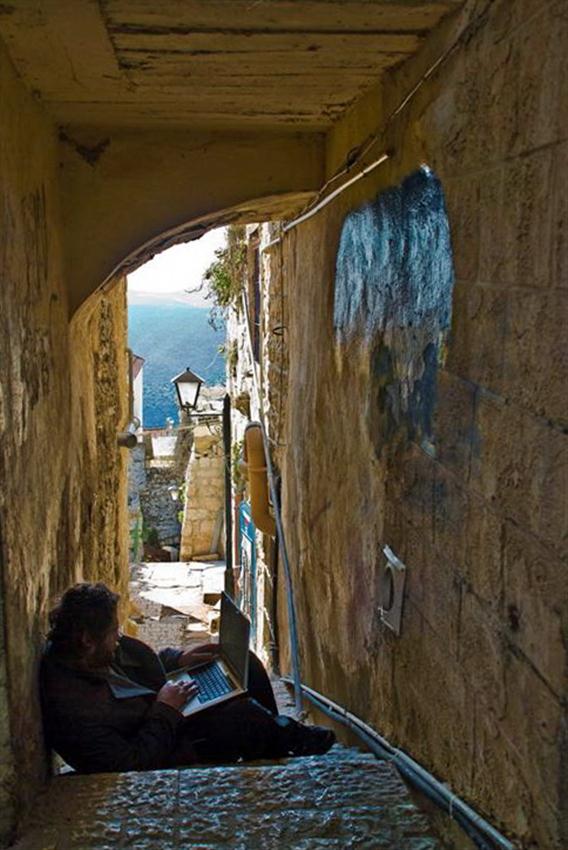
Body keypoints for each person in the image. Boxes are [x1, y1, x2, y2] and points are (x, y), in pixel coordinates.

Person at [40, 583, 335, 774]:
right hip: (169, 739)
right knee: (242, 718)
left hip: (169, 705)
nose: (118, 639)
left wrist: (177, 659)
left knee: (245, 664)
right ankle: (288, 741)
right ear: (87, 639)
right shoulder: (73, 709)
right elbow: (131, 762)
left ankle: (277, 739)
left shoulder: (87, 653)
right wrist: (166, 711)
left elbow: (139, 666)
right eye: (112, 634)